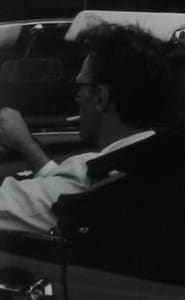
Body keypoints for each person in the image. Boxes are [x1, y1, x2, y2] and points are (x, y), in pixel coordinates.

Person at [0, 22, 168, 233]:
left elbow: (50, 196)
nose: (77, 96)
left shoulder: (94, 180)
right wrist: (27, 147)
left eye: (81, 86)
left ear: (101, 97)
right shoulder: (169, 159)